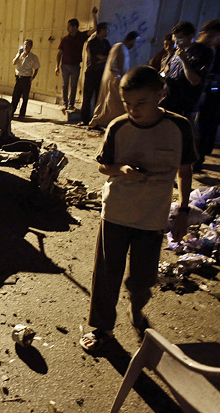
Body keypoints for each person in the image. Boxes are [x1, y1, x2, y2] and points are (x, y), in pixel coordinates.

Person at [80, 65, 196, 352]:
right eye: (127, 103)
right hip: (116, 213)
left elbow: (184, 171)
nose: (133, 109)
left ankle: (136, 306)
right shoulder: (118, 127)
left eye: (141, 102)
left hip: (152, 217)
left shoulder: (179, 127)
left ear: (160, 94)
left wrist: (183, 212)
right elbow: (103, 166)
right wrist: (121, 169)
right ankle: (103, 328)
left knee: (143, 279)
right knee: (106, 276)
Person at [160, 21, 214, 119]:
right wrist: (161, 75)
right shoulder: (176, 52)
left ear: (190, 36)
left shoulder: (203, 52)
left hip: (184, 105)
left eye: (180, 39)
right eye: (175, 40)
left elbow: (195, 80)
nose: (176, 43)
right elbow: (166, 72)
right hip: (168, 100)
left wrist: (184, 61)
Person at [88, 31, 138, 129]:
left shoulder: (123, 48)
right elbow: (113, 64)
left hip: (119, 80)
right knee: (111, 103)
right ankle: (101, 121)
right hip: (115, 81)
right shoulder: (118, 47)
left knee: (113, 104)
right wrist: (117, 77)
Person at [55, 8, 99, 112]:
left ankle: (71, 105)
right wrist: (57, 66)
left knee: (74, 86)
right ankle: (65, 104)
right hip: (65, 65)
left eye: (69, 26)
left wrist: (94, 15)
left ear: (75, 27)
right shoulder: (65, 39)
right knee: (65, 85)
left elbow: (95, 29)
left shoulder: (81, 36)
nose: (68, 28)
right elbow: (60, 53)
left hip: (75, 65)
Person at [193, 19, 220, 171]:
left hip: (212, 94)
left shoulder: (216, 51)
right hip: (197, 94)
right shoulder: (198, 49)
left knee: (206, 125)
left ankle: (199, 158)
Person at [79, 22, 111, 126]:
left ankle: (96, 119)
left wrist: (104, 58)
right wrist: (103, 58)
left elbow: (110, 56)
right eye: (105, 30)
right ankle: (85, 119)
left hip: (101, 73)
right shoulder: (92, 42)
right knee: (87, 97)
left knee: (99, 97)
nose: (107, 32)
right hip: (92, 72)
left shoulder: (106, 43)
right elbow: (95, 57)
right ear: (100, 30)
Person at [11, 39, 40, 118]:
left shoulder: (33, 57)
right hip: (18, 78)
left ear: (31, 46)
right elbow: (14, 62)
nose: (26, 46)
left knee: (25, 97)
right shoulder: (20, 55)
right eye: (25, 45)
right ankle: (11, 112)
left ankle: (22, 114)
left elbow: (36, 68)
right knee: (15, 96)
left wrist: (33, 77)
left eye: (27, 45)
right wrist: (18, 54)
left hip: (26, 78)